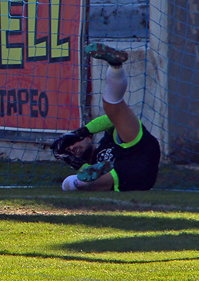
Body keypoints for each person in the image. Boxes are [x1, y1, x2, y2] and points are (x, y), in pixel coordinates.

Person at [51, 43, 161, 191]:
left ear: (88, 138)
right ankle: (81, 182)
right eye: (68, 150)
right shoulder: (92, 166)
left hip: (138, 149)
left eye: (72, 143)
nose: (72, 148)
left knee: (113, 110)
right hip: (128, 175)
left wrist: (80, 132)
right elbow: (87, 174)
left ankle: (115, 66)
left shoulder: (107, 139)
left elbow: (110, 119)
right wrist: (76, 163)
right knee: (73, 184)